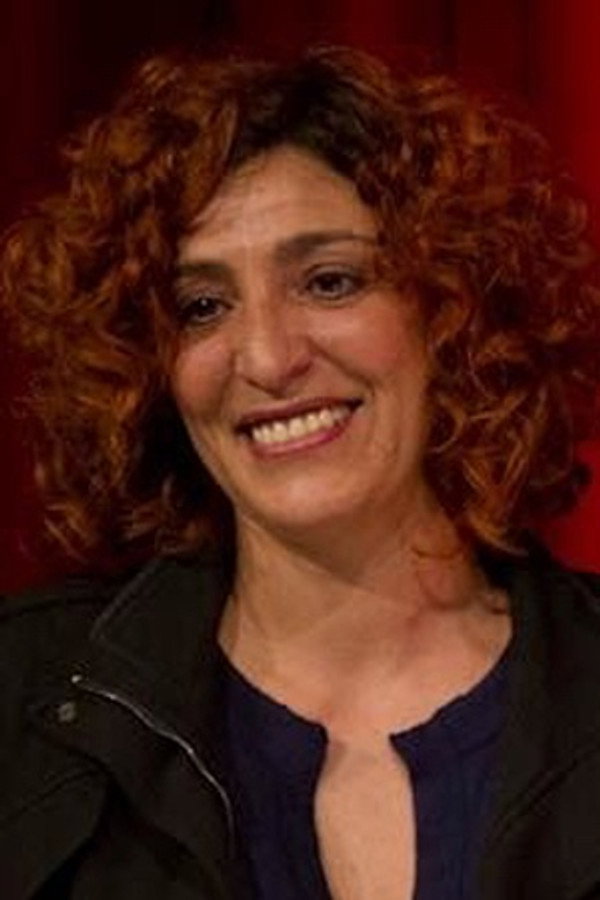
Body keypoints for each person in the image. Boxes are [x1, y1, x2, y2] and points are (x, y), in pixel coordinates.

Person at [1, 44, 600, 900]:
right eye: (202, 306)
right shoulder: (23, 697)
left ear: (453, 306)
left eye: (329, 281)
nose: (268, 358)